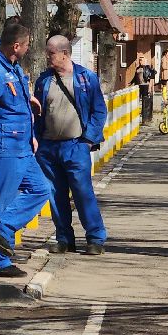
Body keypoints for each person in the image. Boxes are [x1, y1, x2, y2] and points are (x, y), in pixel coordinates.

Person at [0, 21, 52, 277]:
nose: (28, 49)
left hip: (23, 146)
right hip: (5, 147)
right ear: (16, 46)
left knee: (41, 189)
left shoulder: (12, 67)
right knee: (0, 204)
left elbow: (13, 97)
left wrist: (30, 100)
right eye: (26, 45)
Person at [34, 35, 108, 255]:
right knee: (55, 195)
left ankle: (95, 238)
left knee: (83, 192)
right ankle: (64, 238)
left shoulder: (86, 78)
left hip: (76, 146)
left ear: (64, 53)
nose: (47, 57)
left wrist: (87, 141)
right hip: (48, 148)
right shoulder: (44, 80)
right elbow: (37, 113)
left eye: (51, 53)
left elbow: (99, 111)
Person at [132, 54, 157, 123]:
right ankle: (138, 112)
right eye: (140, 60)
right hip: (139, 85)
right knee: (137, 99)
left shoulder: (147, 68)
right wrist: (131, 82)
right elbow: (135, 76)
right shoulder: (137, 68)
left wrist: (150, 87)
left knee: (145, 99)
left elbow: (152, 75)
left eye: (142, 60)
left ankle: (144, 114)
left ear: (145, 61)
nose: (140, 62)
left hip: (145, 85)